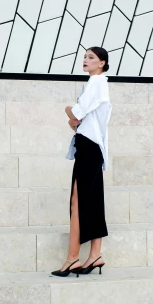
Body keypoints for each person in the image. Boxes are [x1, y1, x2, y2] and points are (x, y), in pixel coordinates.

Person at [52, 47, 112, 277]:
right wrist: (75, 120)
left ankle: (72, 259)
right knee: (92, 201)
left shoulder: (96, 83)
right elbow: (81, 119)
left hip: (88, 148)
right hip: (91, 147)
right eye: (85, 57)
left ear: (102, 63)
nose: (85, 60)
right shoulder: (98, 84)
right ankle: (95, 254)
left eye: (91, 57)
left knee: (77, 202)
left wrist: (67, 110)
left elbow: (76, 113)